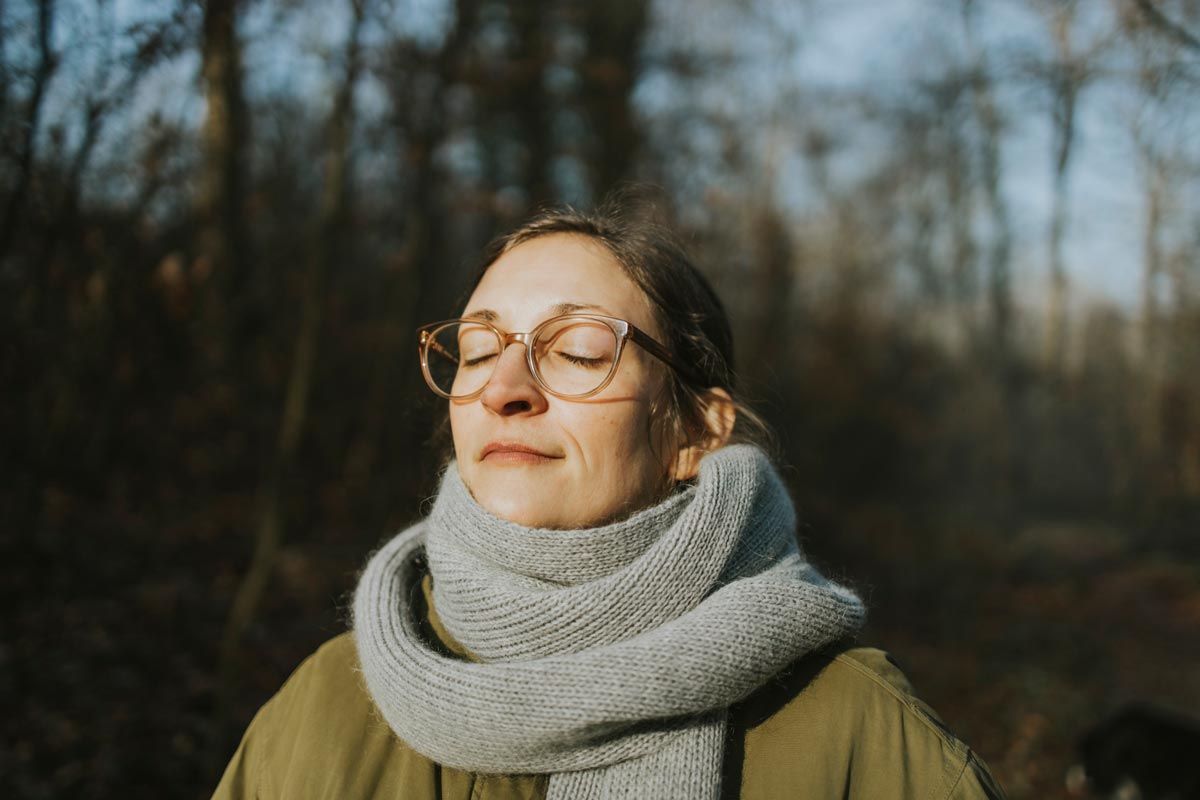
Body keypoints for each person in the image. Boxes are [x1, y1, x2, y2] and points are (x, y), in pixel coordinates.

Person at [213, 196, 1006, 799]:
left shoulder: (856, 733)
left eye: (580, 351)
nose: (505, 389)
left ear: (697, 429)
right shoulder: (320, 704)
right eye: (479, 349)